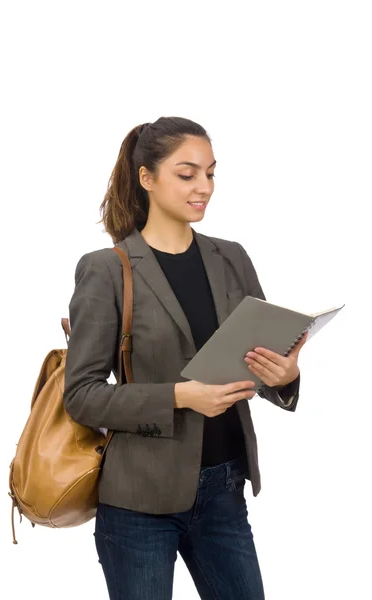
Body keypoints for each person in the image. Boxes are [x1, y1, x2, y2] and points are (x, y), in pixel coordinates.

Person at [63, 116, 306, 600]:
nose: (204, 187)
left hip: (224, 490)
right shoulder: (107, 270)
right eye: (187, 173)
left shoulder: (231, 257)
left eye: (211, 173)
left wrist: (285, 375)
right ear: (147, 178)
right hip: (138, 501)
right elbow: (82, 397)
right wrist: (180, 397)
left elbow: (256, 362)